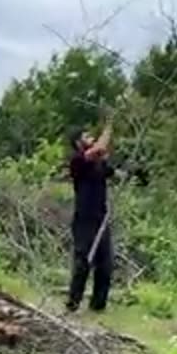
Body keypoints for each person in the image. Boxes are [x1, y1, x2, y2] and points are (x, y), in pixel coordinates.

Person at [65, 115, 115, 313]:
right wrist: (109, 127)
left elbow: (111, 169)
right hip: (84, 221)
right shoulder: (77, 162)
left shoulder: (99, 164)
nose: (91, 138)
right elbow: (98, 150)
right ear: (78, 142)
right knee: (83, 262)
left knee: (106, 264)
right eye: (87, 136)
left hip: (101, 219)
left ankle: (98, 306)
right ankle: (73, 302)